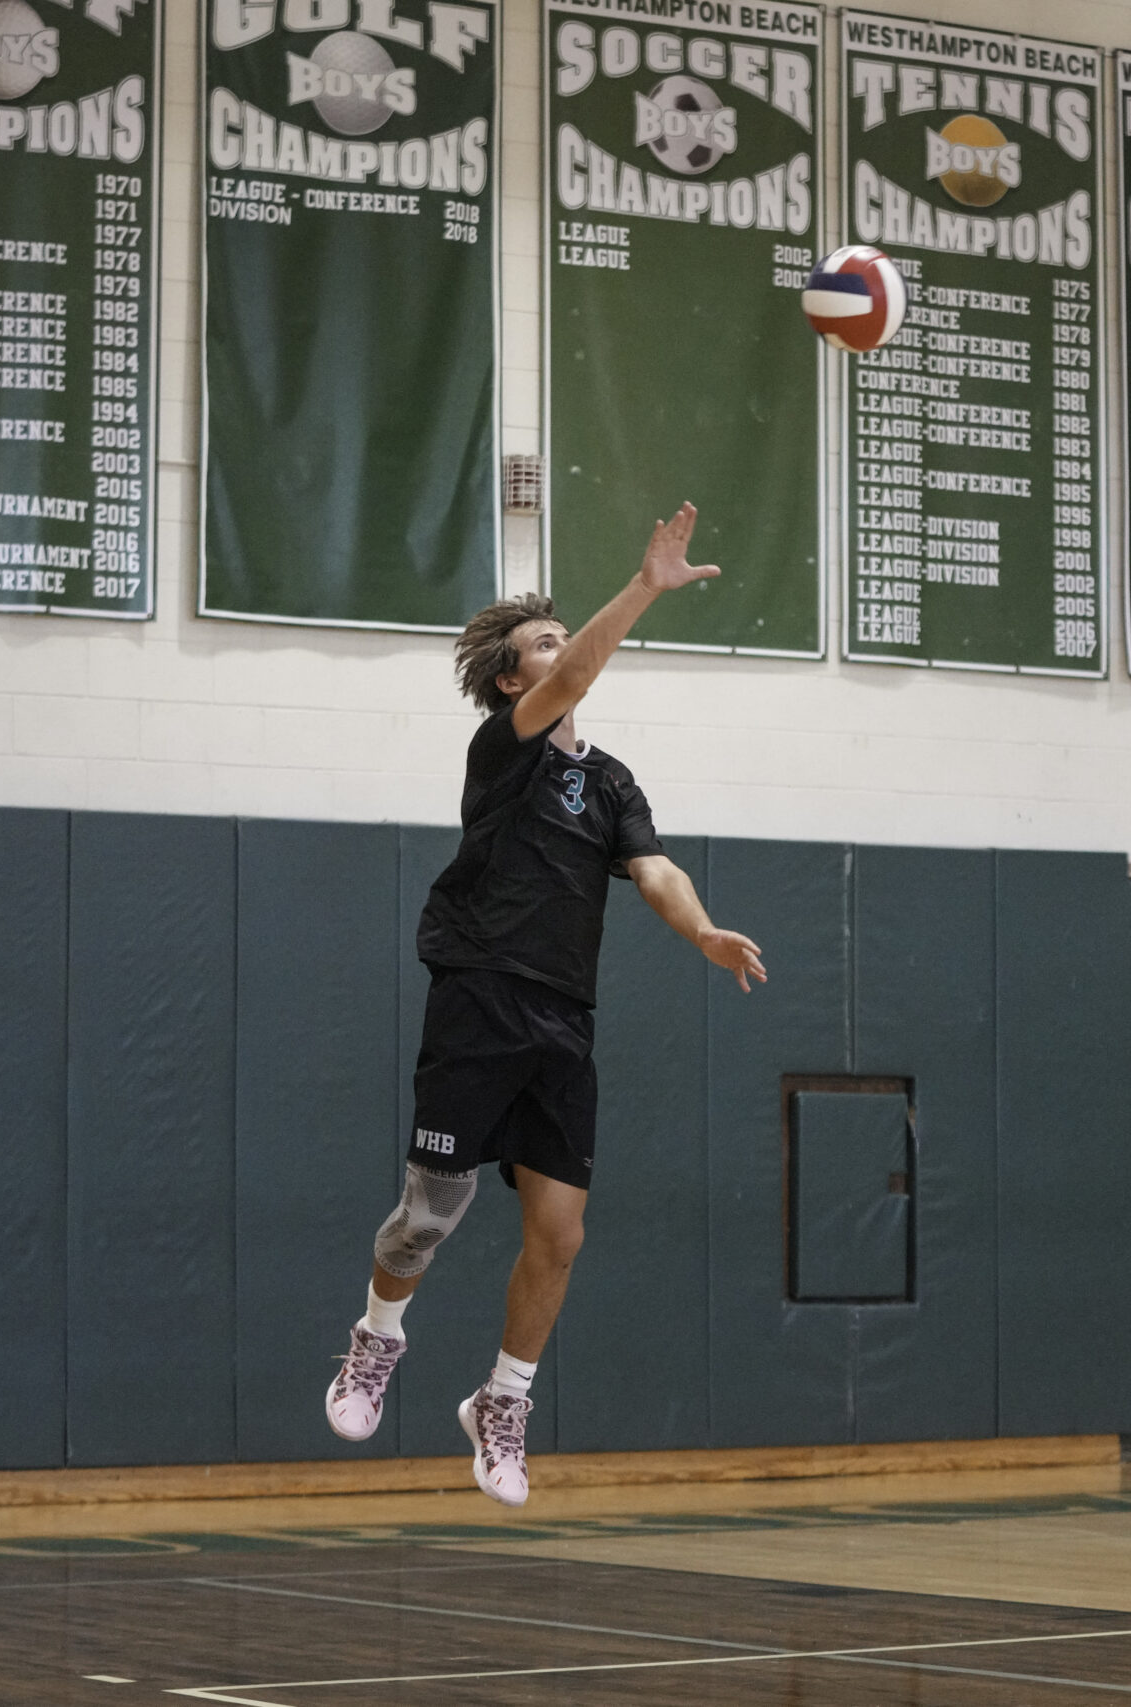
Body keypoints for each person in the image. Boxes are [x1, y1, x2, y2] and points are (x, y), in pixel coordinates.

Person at [322, 502, 768, 1506]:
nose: (563, 653)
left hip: (563, 1020)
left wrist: (697, 929)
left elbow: (652, 871)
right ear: (510, 680)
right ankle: (375, 1339)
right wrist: (646, 585)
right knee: (428, 1218)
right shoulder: (504, 747)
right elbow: (573, 677)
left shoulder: (608, 782)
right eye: (543, 644)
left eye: (563, 635)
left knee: (559, 1235)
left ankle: (501, 1403)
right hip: (479, 998)